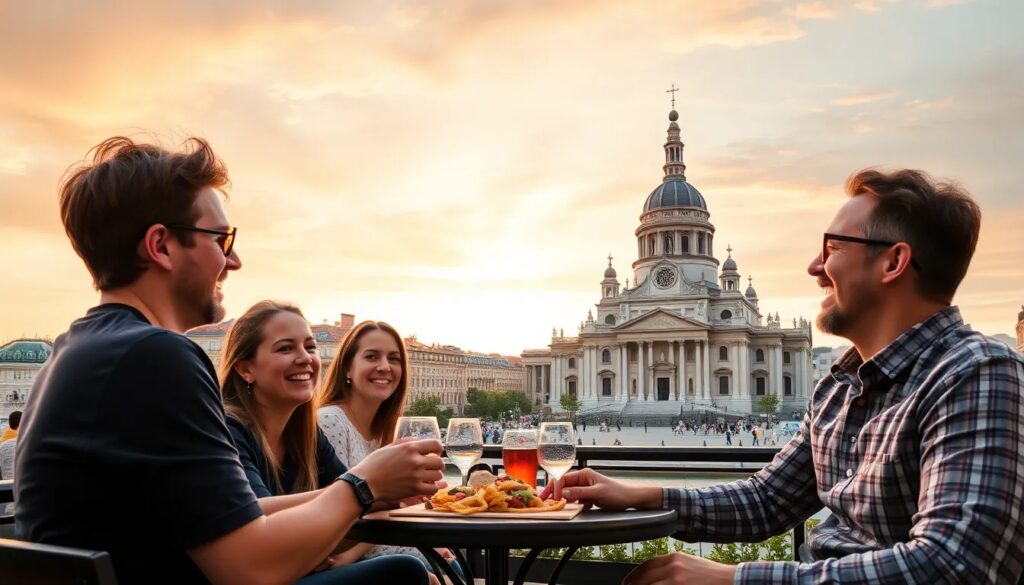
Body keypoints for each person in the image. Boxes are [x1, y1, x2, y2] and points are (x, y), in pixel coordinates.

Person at [545, 169, 1024, 584]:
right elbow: (768, 500)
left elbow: (953, 566)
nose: (815, 266)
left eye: (833, 247)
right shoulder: (841, 385)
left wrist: (733, 579)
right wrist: (640, 495)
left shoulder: (978, 373)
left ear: (894, 262)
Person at [14, 137, 443, 585]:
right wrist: (362, 487)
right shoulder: (156, 357)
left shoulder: (77, 350)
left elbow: (232, 515)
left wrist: (360, 487)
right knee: (403, 574)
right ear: (160, 245)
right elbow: (248, 568)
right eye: (221, 239)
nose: (233, 260)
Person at [219, 301, 432, 583]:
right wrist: (364, 487)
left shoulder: (307, 435)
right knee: (406, 571)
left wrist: (383, 493)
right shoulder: (228, 430)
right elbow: (254, 516)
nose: (305, 358)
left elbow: (350, 514)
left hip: (293, 572)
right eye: (285, 348)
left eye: (310, 347)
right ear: (246, 369)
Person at [316, 320, 453, 572]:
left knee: (452, 565)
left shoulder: (386, 429)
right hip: (369, 562)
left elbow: (384, 509)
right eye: (371, 357)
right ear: (347, 368)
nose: (384, 367)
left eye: (394, 359)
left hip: (394, 549)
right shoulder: (331, 422)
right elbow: (336, 519)